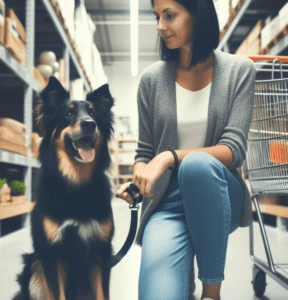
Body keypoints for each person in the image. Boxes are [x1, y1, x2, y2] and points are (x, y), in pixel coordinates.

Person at [115, 0, 256, 299]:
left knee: (197, 166)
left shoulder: (239, 71)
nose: (160, 27)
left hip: (219, 195)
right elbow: (144, 151)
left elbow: (233, 148)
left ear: (198, 14)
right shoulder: (152, 79)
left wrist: (168, 157)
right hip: (168, 204)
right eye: (157, 17)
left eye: (170, 16)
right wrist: (140, 179)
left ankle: (211, 291)